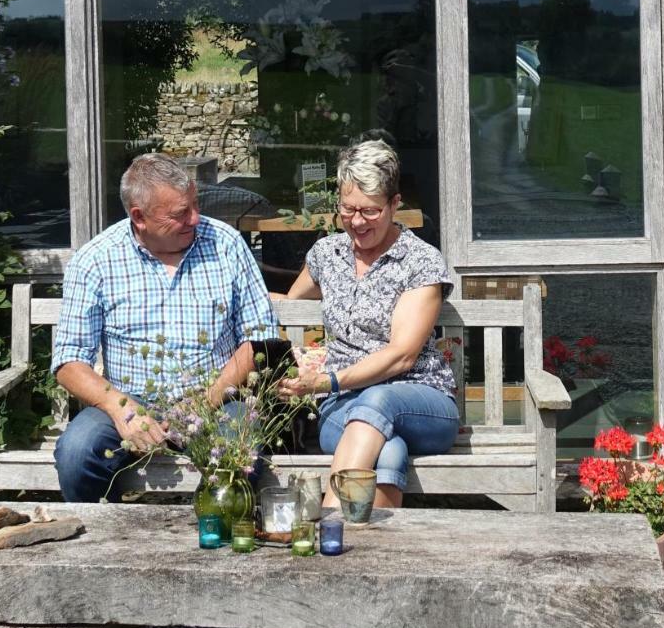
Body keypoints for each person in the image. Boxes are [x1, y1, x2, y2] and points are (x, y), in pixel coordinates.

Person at [51, 153, 277, 502]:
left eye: (195, 205)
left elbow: (260, 339)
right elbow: (68, 361)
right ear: (139, 217)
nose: (195, 218)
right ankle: (99, 545)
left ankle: (217, 536)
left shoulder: (227, 245)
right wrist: (122, 408)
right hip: (130, 400)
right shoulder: (96, 259)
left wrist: (208, 399)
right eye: (179, 214)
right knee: (77, 452)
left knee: (239, 448)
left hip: (216, 398)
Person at [277, 140, 459, 509]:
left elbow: (401, 357)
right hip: (342, 409)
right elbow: (291, 304)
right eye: (348, 209)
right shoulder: (327, 255)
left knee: (379, 400)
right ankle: (373, 553)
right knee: (388, 449)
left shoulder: (420, 262)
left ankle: (326, 520)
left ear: (395, 204)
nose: (357, 222)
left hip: (421, 401)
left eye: (371, 211)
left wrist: (326, 380)